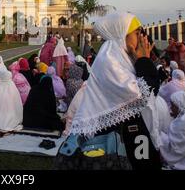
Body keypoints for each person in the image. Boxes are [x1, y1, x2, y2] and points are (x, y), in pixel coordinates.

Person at [68, 12, 162, 170]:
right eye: (137, 33)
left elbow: (150, 90)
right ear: (121, 34)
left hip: (128, 131)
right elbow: (142, 93)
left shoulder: (123, 58)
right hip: (115, 136)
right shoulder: (109, 60)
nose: (141, 38)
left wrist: (143, 60)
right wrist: (144, 60)